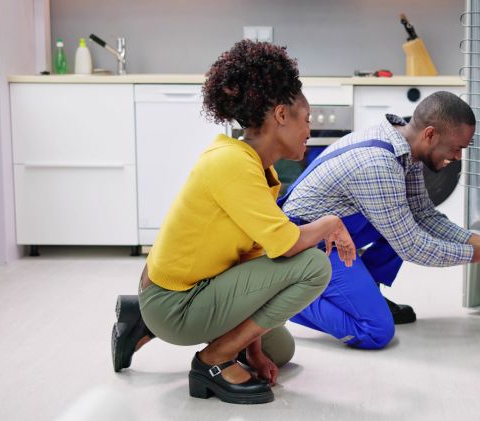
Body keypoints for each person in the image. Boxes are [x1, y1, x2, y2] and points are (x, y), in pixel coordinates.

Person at [110, 40, 356, 405]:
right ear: (280, 115)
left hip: (197, 286)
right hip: (176, 301)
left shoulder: (260, 169)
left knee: (279, 349)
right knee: (313, 266)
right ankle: (210, 361)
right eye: (307, 118)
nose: (310, 129)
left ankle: (140, 322)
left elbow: (253, 258)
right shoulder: (233, 163)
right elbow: (287, 244)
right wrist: (331, 222)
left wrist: (254, 352)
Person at [279, 91, 480, 350]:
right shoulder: (379, 164)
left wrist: (478, 241)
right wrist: (478, 254)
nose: (458, 157)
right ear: (429, 135)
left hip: (337, 231)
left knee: (402, 218)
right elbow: (411, 246)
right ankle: (281, 298)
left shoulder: (404, 149)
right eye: (457, 148)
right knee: (375, 331)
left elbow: (423, 215)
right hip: (306, 244)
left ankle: (367, 292)